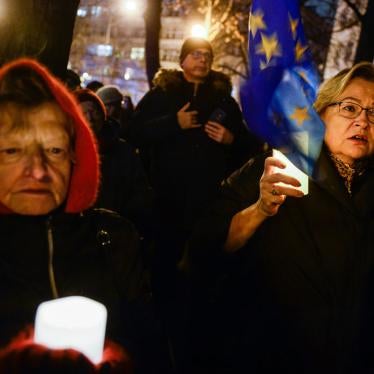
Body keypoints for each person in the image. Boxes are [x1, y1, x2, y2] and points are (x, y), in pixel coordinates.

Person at [186, 61, 374, 373]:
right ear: (321, 113)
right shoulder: (275, 169)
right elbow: (204, 247)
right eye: (350, 108)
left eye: (373, 112)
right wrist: (259, 209)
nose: (363, 122)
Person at [0, 58, 167, 374]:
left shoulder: (113, 238)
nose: (37, 170)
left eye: (54, 151)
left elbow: (149, 346)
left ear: (77, 158)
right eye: (12, 150)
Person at [127, 37, 263, 371]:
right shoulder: (162, 94)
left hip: (207, 204)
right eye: (196, 54)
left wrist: (231, 140)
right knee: (163, 272)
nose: (202, 60)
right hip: (165, 203)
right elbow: (133, 132)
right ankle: (158, 341)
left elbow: (248, 148)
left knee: (201, 272)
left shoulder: (222, 100)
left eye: (207, 55)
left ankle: (194, 340)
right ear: (183, 59)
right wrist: (174, 123)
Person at [74, 88, 153, 243]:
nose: (89, 118)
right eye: (83, 113)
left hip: (116, 233)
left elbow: (141, 192)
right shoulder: (66, 150)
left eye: (94, 112)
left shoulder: (124, 151)